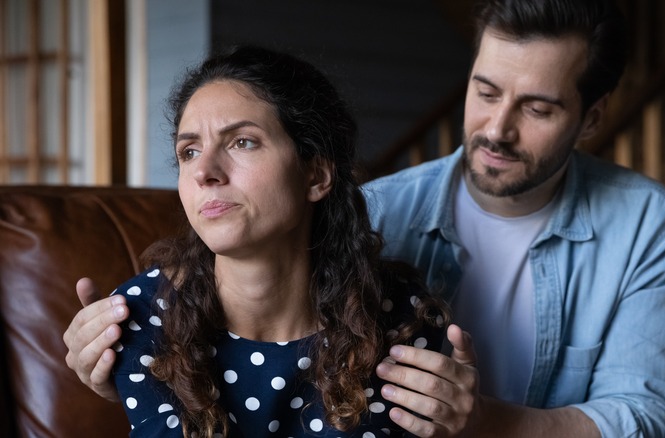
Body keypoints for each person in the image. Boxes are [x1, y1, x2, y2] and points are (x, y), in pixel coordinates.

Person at [65, 0, 665, 436]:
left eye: (538, 108)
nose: (498, 128)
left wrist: (483, 423)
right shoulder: (376, 211)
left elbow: (644, 415)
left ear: (591, 118)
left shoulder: (649, 227)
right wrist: (130, 372)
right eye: (484, 92)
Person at [70, 45, 449, 437]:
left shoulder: (400, 318)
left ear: (316, 176)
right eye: (189, 151)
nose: (204, 172)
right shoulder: (149, 317)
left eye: (242, 142)